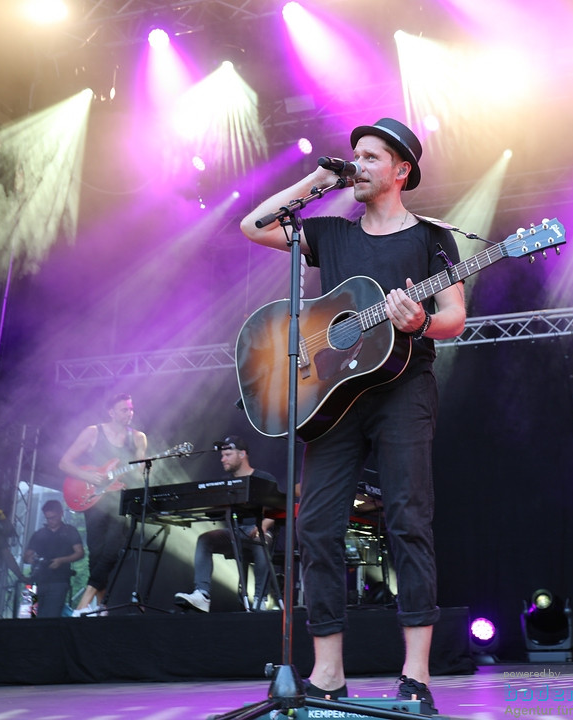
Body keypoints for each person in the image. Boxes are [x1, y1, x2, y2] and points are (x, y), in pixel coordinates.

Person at [240, 118, 466, 708]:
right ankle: (327, 674)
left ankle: (415, 673)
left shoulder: (432, 238)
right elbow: (252, 225)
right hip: (333, 397)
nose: (357, 164)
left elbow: (453, 316)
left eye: (370, 157)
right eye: (355, 156)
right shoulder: (333, 235)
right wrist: (318, 178)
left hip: (403, 389)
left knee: (409, 519)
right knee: (316, 527)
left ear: (401, 170)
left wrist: (419, 323)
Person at [58, 393, 147, 616]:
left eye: (131, 409)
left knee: (112, 551)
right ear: (111, 412)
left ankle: (83, 604)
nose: (129, 413)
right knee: (96, 553)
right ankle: (100, 608)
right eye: (124, 409)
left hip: (120, 500)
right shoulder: (93, 432)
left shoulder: (138, 437)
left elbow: (138, 472)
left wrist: (142, 471)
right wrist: (88, 477)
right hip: (93, 499)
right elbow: (64, 463)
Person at [174, 436, 278, 613]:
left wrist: (264, 526)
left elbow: (276, 509)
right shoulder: (224, 482)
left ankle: (260, 599)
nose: (223, 459)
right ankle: (202, 594)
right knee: (205, 539)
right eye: (222, 455)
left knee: (261, 541)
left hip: (259, 531)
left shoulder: (264, 478)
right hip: (235, 532)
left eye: (228, 454)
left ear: (242, 454)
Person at [23, 500, 84, 618]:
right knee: (30, 615)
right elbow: (26, 556)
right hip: (36, 581)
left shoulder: (70, 531)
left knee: (50, 616)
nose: (50, 521)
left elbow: (80, 553)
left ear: (61, 513)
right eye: (48, 518)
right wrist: (31, 559)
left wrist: (61, 560)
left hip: (59, 581)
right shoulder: (39, 534)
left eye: (53, 518)